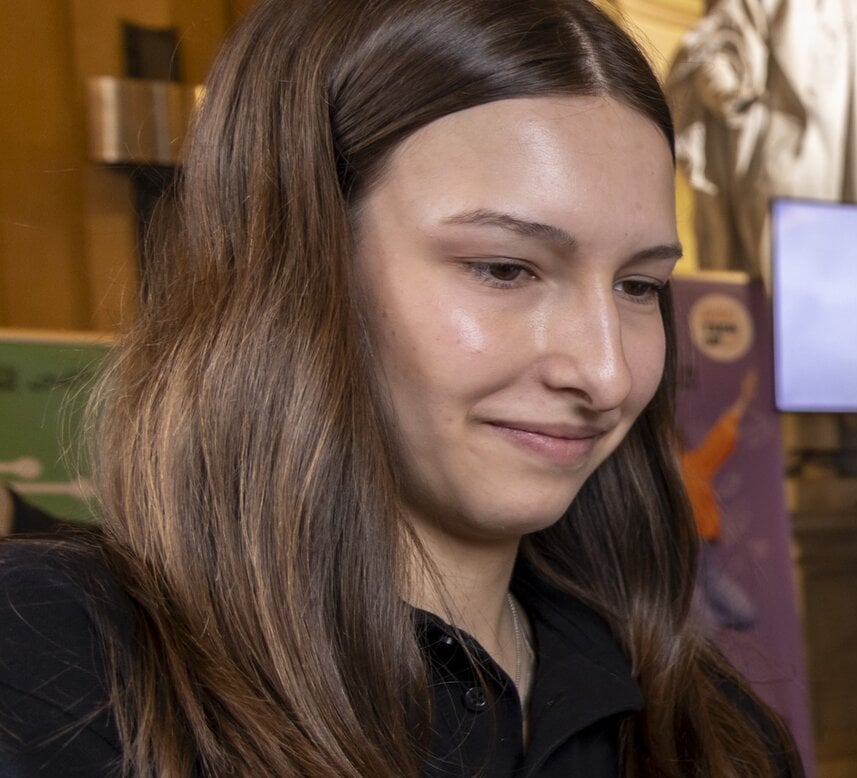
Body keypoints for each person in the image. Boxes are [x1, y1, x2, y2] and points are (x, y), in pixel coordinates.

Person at [0, 0, 799, 775]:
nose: (606, 372)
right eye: (504, 269)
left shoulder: (710, 732)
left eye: (639, 286)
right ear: (299, 265)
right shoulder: (48, 664)